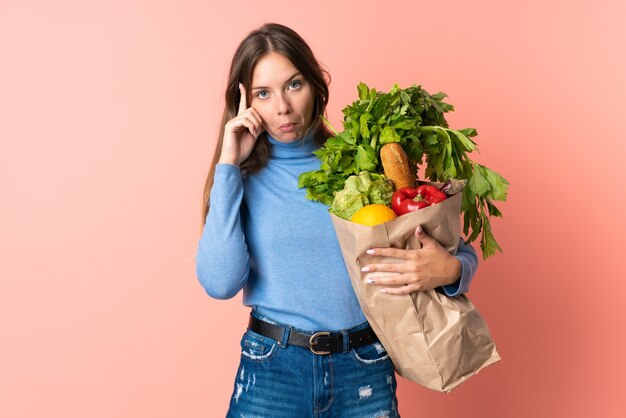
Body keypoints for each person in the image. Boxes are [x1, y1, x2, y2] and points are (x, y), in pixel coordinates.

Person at [195, 23, 478, 417]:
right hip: (273, 370)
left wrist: (449, 270)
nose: (282, 107)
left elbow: (458, 253)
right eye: (263, 93)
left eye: (294, 85)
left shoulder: (361, 166)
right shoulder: (240, 179)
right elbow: (220, 282)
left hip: (363, 368)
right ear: (245, 103)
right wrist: (228, 164)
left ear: (315, 84)